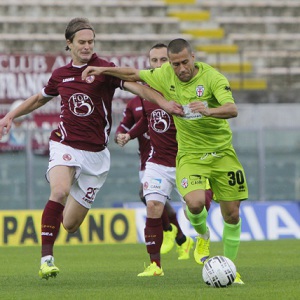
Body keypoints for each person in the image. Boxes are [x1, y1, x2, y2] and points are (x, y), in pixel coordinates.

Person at [0, 18, 182, 280]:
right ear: (69, 44)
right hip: (65, 143)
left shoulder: (104, 69)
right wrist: (10, 116)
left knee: (70, 224)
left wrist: (163, 103)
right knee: (59, 190)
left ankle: (64, 201)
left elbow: (139, 88)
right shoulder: (60, 75)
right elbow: (40, 98)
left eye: (91, 42)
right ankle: (46, 259)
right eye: (82, 42)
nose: (87, 47)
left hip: (96, 157)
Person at [81, 38, 248, 284]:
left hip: (222, 153)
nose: (180, 69)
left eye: (184, 62)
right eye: (175, 63)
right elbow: (133, 73)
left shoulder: (213, 79)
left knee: (232, 215)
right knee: (194, 204)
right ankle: (202, 236)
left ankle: (233, 270)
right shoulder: (165, 75)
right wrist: (102, 69)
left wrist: (208, 110)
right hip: (190, 155)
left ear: (193, 58)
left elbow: (232, 109)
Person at [116, 43, 212, 276]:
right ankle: (155, 265)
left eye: (163, 60)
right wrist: (129, 134)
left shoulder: (185, 88)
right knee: (152, 205)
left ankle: (202, 236)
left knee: (195, 208)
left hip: (187, 160)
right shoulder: (147, 92)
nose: (158, 65)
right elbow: (148, 119)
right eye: (154, 61)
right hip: (158, 161)